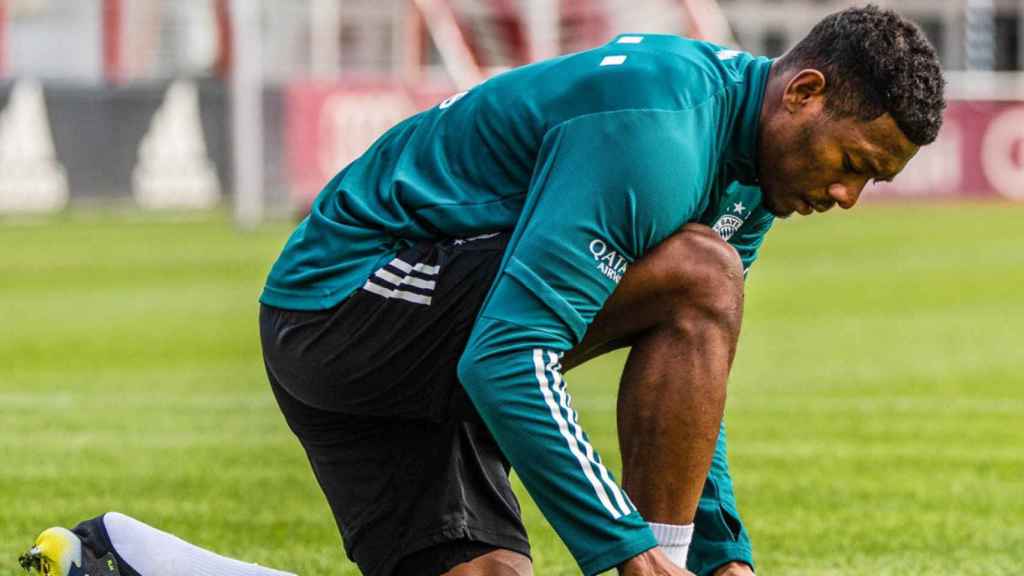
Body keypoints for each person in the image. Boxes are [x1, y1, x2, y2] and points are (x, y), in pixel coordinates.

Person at [20, 5, 944, 576]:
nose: (845, 197)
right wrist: (635, 553)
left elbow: (689, 378)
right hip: (349, 300)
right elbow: (508, 357)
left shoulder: (756, 174)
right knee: (702, 276)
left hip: (400, 342)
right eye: (853, 165)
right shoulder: (661, 127)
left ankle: (131, 557)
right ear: (806, 91)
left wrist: (724, 549)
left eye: (873, 183)